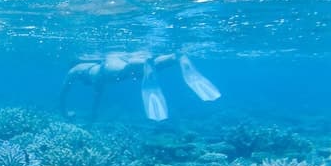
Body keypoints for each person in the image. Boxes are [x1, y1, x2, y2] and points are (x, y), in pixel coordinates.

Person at [59, 51, 220, 121]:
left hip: (108, 71)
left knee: (128, 69)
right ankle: (174, 57)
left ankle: (145, 62)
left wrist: (65, 112)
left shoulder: (75, 70)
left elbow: (63, 94)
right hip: (112, 67)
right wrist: (93, 113)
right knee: (141, 69)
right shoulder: (91, 69)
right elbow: (97, 96)